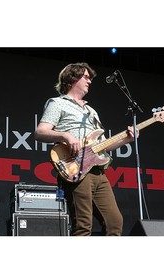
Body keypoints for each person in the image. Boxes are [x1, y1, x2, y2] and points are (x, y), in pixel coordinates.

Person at [34, 62, 137, 236]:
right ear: (73, 78)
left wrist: (127, 139)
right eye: (86, 77)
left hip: (98, 172)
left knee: (114, 222)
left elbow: (104, 145)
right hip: (76, 168)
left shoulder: (91, 111)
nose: (90, 81)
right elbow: (40, 132)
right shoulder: (58, 103)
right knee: (83, 226)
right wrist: (65, 136)